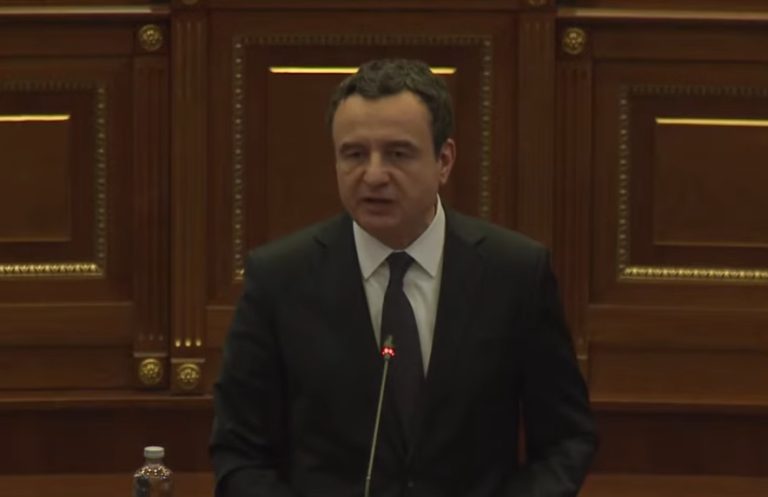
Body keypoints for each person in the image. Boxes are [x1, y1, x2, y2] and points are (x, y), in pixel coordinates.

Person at [210, 58, 597, 497]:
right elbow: (239, 453)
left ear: (444, 160)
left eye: (398, 153)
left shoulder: (515, 273)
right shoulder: (279, 278)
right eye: (354, 154)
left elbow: (567, 439)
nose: (374, 175)